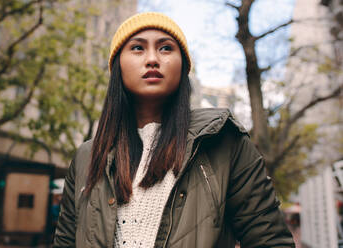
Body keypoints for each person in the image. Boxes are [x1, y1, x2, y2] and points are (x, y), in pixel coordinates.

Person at [53, 12, 295, 247]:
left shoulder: (224, 142)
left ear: (183, 67)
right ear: (118, 66)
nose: (152, 59)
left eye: (166, 48)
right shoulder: (86, 157)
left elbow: (270, 240)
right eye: (137, 47)